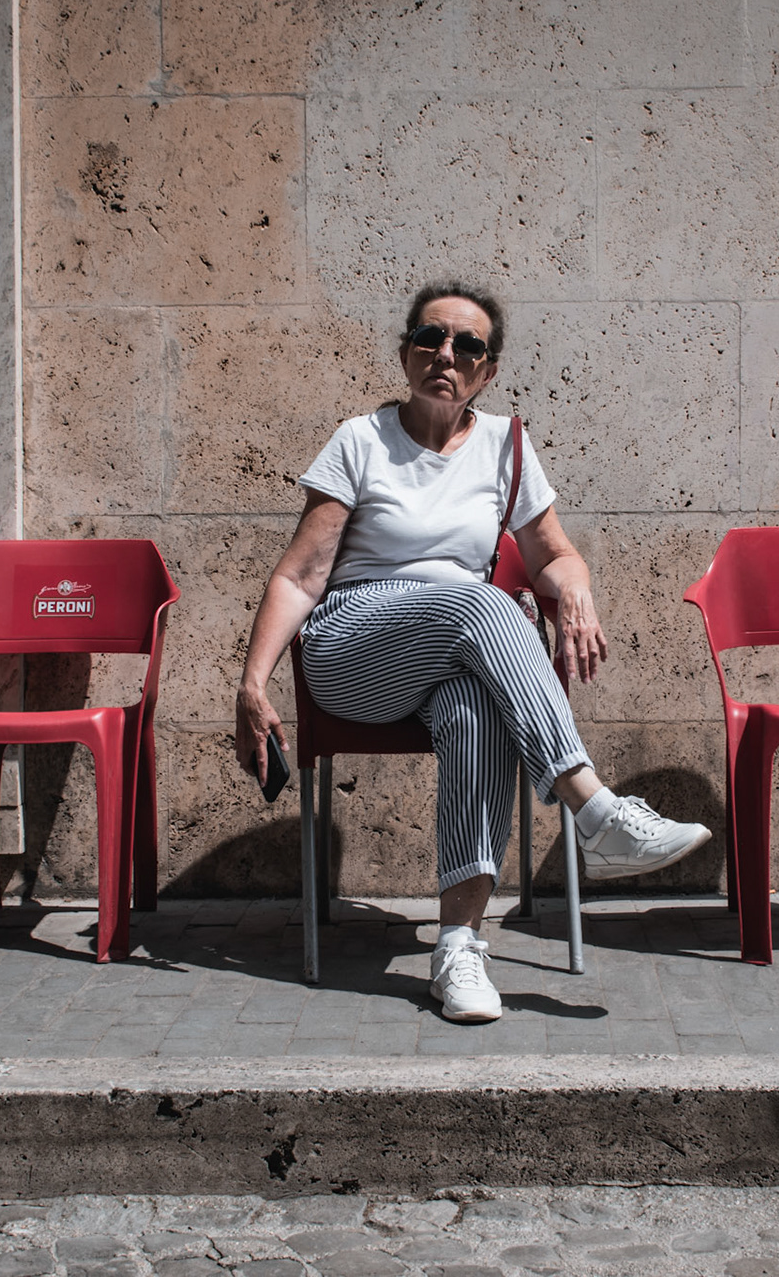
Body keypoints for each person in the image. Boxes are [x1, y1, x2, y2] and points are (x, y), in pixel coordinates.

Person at [234, 281, 711, 1023]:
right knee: (487, 601)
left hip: (452, 654)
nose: (446, 355)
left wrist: (576, 591)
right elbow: (300, 575)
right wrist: (252, 683)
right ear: (406, 354)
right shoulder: (360, 441)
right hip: (354, 647)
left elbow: (554, 555)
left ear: (487, 371)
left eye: (467, 346)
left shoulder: (505, 446)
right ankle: (594, 810)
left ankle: (457, 948)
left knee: (475, 713)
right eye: (430, 338)